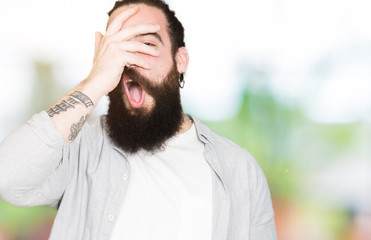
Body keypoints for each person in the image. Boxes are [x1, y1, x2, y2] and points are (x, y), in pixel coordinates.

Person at [0, 0, 277, 239]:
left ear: (180, 60)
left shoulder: (240, 172)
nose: (128, 59)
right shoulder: (81, 149)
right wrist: (95, 81)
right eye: (116, 47)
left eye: (146, 44)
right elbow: (9, 179)